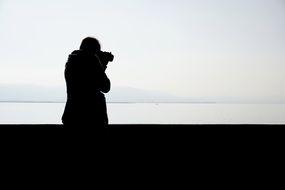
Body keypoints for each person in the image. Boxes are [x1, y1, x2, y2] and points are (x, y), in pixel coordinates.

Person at [62, 37, 113, 128]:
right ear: (94, 50)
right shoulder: (92, 60)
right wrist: (103, 64)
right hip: (93, 118)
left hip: (71, 116)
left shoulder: (70, 63)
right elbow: (105, 87)